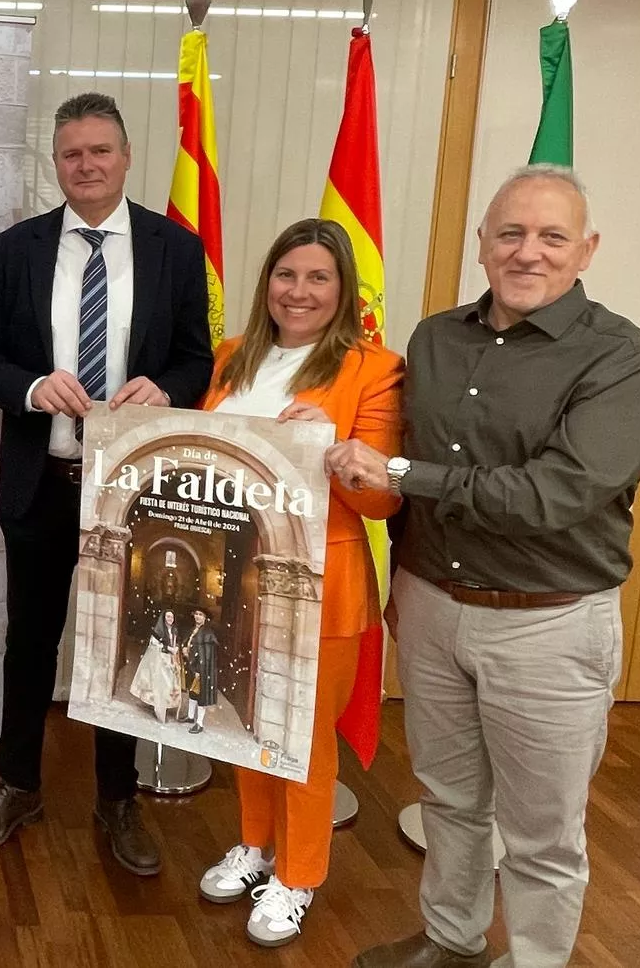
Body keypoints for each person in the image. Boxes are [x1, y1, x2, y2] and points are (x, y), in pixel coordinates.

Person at [338, 168, 640, 968]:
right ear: (482, 245)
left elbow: (558, 494)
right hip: (430, 606)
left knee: (542, 836)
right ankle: (452, 943)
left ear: (585, 249)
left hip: (547, 626)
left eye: (552, 237)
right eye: (510, 234)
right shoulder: (433, 338)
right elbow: (409, 453)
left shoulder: (629, 360)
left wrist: (403, 478)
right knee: (450, 801)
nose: (529, 252)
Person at [0, 91, 214, 874]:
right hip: (44, 481)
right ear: (57, 163)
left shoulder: (176, 247)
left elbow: (197, 359)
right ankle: (17, 783)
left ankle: (118, 798)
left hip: (133, 493)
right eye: (72, 153)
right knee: (29, 643)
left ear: (126, 157)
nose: (87, 165)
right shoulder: (18, 250)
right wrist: (34, 388)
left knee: (123, 650)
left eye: (100, 151)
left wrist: (166, 391)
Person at [192, 218, 404, 947]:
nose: (300, 291)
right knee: (246, 721)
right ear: (267, 283)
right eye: (287, 275)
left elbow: (383, 499)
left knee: (304, 736)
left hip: (324, 585)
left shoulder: (373, 369)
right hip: (230, 574)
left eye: (319, 278)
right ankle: (255, 844)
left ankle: (300, 875)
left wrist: (334, 448)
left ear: (343, 290)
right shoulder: (229, 360)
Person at [129, 608, 182, 722]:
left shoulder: (174, 630)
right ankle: (159, 710)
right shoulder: (158, 631)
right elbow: (154, 645)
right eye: (168, 617)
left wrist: (176, 648)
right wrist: (167, 648)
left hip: (170, 661)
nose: (170, 619)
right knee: (160, 686)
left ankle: (164, 706)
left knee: (169, 686)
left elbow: (177, 642)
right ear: (164, 618)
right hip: (161, 661)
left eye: (172, 617)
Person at [183, 607, 220, 735]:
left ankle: (199, 723)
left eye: (201, 615)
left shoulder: (207, 634)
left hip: (202, 669)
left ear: (205, 618)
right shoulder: (193, 630)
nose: (198, 617)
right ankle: (190, 716)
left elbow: (207, 655)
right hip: (192, 666)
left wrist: (200, 669)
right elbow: (189, 644)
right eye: (196, 614)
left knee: (201, 695)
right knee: (193, 692)